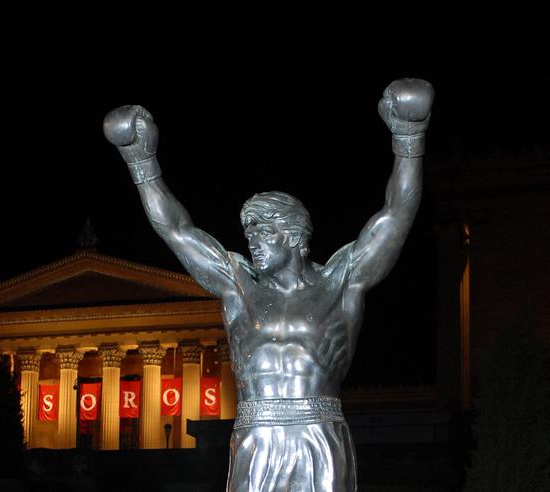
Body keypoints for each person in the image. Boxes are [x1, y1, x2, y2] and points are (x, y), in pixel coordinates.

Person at [103, 78, 434, 492]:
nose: (252, 242)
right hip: (255, 436)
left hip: (319, 433)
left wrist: (409, 136)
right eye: (249, 234)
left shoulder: (341, 280)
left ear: (293, 235)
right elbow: (176, 229)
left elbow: (397, 213)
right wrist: (141, 162)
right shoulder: (238, 284)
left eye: (262, 232)